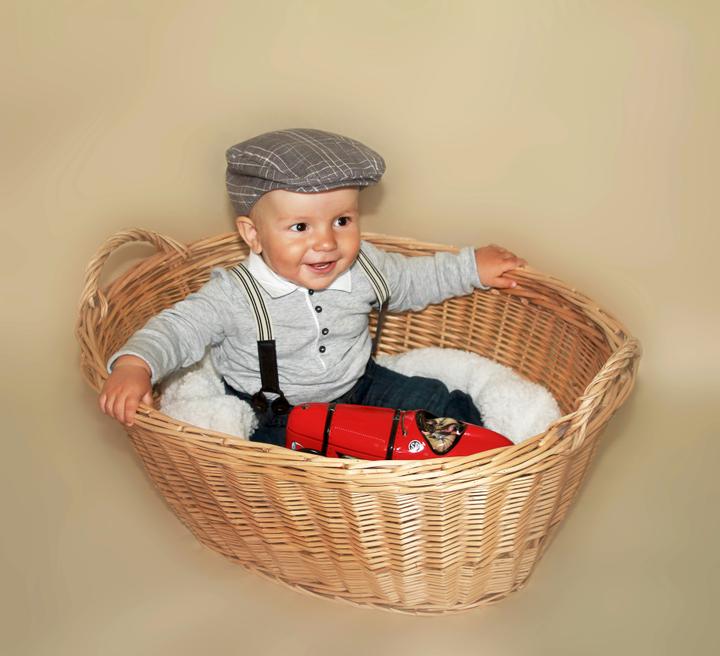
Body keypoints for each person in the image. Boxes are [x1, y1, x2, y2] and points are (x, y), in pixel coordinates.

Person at [99, 128, 526, 446]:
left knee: (435, 400)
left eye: (342, 221)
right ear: (253, 235)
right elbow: (178, 329)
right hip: (275, 411)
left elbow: (416, 280)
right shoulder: (235, 294)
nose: (326, 242)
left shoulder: (364, 266)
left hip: (360, 385)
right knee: (281, 469)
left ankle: (473, 464)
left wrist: (472, 267)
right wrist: (136, 365)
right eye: (300, 227)